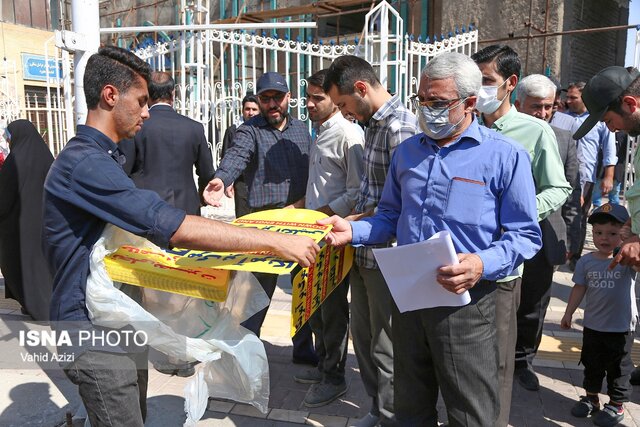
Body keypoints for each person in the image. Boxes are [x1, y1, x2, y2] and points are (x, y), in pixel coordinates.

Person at [42, 46, 319, 427]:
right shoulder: (86, 163)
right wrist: (272, 241)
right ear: (110, 96)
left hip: (115, 323)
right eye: (140, 101)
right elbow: (172, 225)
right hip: (90, 333)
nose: (146, 112)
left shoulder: (104, 157)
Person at [319, 52, 541, 426]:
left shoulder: (504, 157)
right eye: (422, 100)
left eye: (437, 103)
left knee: (470, 411)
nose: (426, 110)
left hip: (467, 302)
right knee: (410, 404)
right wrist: (352, 230)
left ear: (470, 103)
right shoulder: (407, 153)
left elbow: (524, 235)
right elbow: (389, 216)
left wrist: (480, 263)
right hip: (409, 298)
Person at [471, 45, 571, 423]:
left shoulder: (535, 131)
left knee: (505, 344)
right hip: (470, 255)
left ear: (510, 84)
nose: (477, 89)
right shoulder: (469, 126)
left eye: (486, 81)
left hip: (511, 255)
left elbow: (558, 188)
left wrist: (518, 214)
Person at [323, 55, 418, 426]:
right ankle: (378, 408)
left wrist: (352, 222)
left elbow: (403, 204)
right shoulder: (372, 125)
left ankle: (393, 415)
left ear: (361, 89)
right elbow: (370, 190)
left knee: (386, 343)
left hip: (385, 255)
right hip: (361, 250)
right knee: (363, 337)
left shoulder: (401, 127)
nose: (345, 114)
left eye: (345, 104)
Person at [205, 71, 317, 365]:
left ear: (289, 98)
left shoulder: (302, 129)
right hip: (264, 226)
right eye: (265, 99)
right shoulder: (249, 130)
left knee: (303, 290)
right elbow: (237, 156)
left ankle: (304, 350)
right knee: (255, 294)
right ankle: (242, 356)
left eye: (277, 98)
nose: (272, 104)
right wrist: (221, 178)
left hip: (300, 223)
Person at [122, 71, 215, 377]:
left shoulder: (140, 127)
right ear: (174, 95)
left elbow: (126, 171)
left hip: (147, 216)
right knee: (185, 288)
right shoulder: (194, 128)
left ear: (148, 95)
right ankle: (185, 357)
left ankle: (162, 354)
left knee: (153, 288)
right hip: (186, 217)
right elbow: (206, 174)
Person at [292, 69, 364, 407]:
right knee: (316, 305)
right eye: (308, 97)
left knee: (333, 309)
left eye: (317, 98)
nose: (309, 104)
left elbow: (356, 192)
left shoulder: (349, 135)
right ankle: (323, 365)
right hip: (312, 235)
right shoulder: (319, 133)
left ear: (335, 101)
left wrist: (320, 214)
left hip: (334, 236)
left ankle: (334, 376)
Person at [513, 73, 581, 391]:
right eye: (535, 107)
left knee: (535, 304)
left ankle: (523, 362)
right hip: (505, 235)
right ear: (517, 104)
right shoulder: (500, 136)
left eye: (549, 107)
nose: (542, 114)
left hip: (546, 233)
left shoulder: (565, 139)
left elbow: (569, 192)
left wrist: (567, 238)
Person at [561, 203, 637, 427]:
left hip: (622, 327)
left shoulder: (627, 260)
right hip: (593, 326)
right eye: (598, 233)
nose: (604, 238)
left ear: (625, 235)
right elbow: (578, 288)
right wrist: (568, 313)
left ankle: (616, 405)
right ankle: (591, 398)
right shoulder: (586, 262)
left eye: (613, 234)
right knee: (592, 364)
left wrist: (632, 241)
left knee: (619, 369)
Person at [0, 120, 53, 320]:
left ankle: (35, 307)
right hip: (44, 225)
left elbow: (4, 198)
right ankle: (45, 306)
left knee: (18, 266)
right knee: (41, 268)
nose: (8, 140)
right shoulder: (47, 158)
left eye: (9, 136)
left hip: (18, 228)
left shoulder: (14, 162)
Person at [564, 81, 617, 269]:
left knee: (579, 215)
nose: (568, 101)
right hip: (561, 174)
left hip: (585, 177)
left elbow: (609, 150)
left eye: (573, 97)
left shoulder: (600, 119)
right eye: (567, 96)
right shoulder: (562, 117)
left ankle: (575, 256)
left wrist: (609, 176)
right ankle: (561, 249)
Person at [220, 94, 260, 218]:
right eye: (247, 109)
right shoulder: (233, 130)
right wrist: (227, 182)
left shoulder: (264, 130)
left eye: (254, 109)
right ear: (242, 110)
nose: (251, 113)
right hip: (241, 182)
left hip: (260, 182)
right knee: (243, 219)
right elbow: (226, 156)